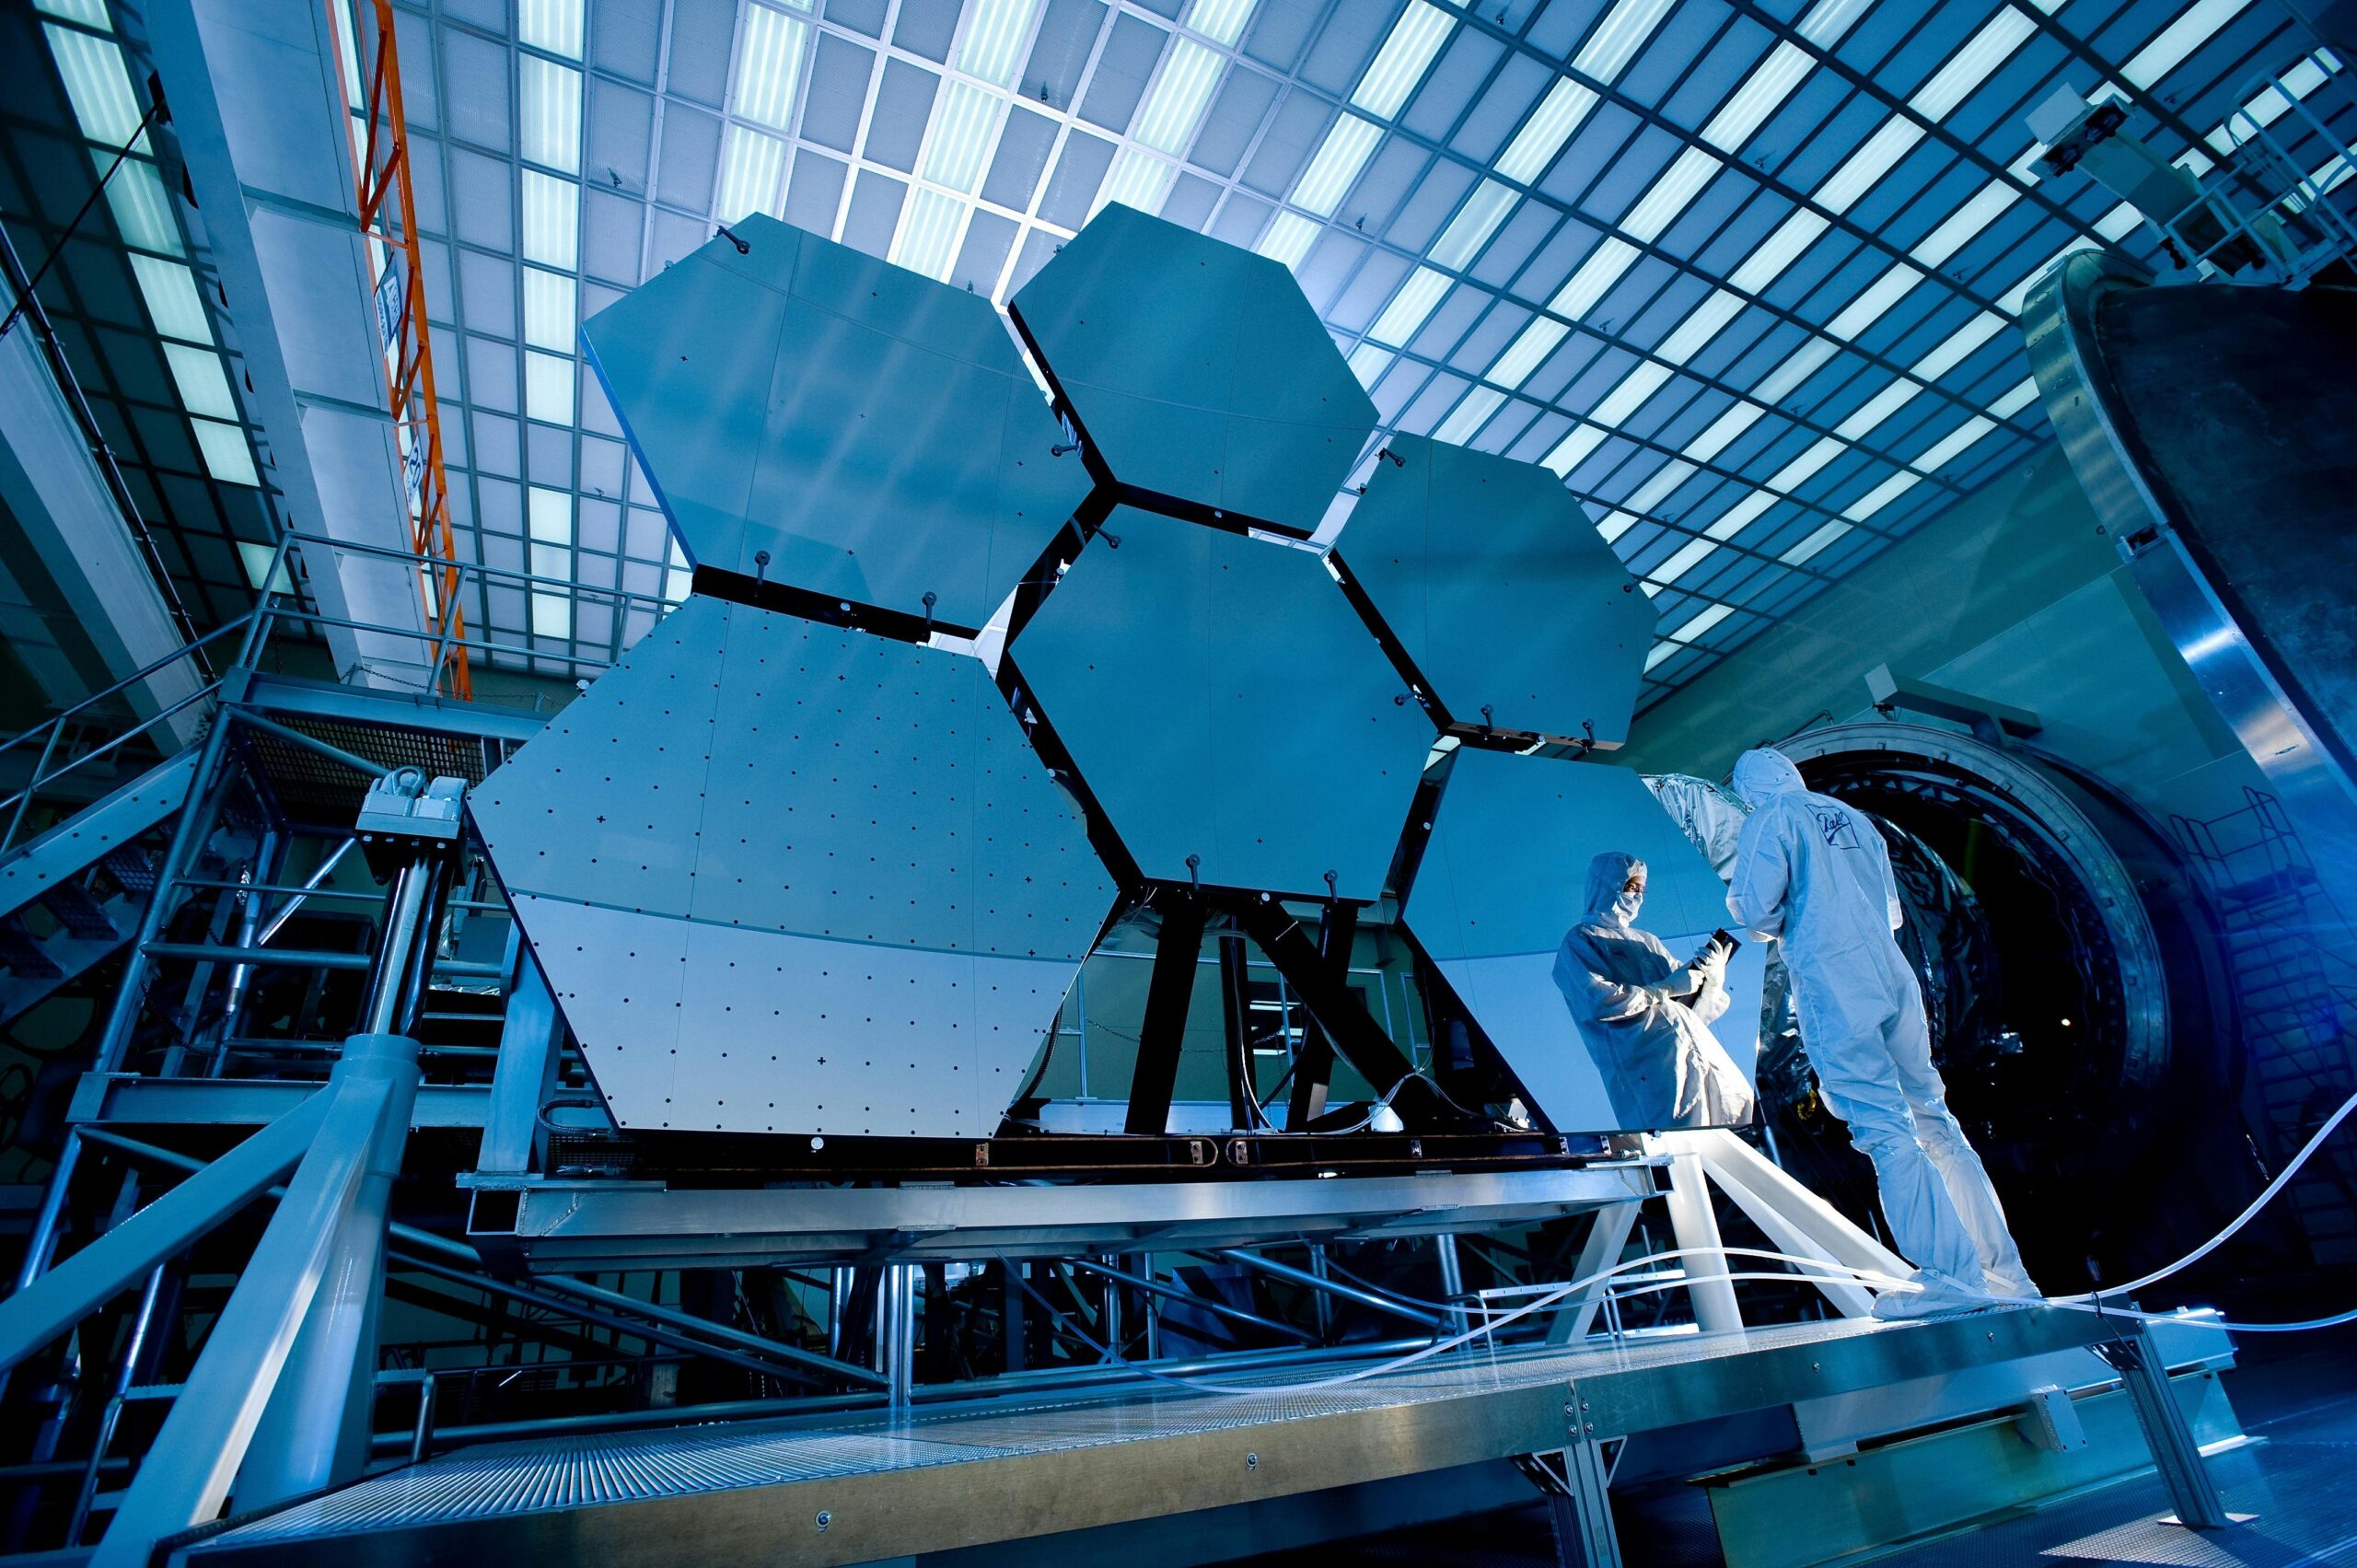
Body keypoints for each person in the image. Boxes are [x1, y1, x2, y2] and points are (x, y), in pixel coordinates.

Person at [1725, 747, 2038, 1316]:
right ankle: (2007, 1279)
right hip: (1893, 974)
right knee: (1937, 1124)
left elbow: (1751, 912)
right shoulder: (1854, 819)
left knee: (1883, 1129)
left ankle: (1950, 1279)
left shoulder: (1771, 819)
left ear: (1751, 789)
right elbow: (1892, 913)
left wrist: (1777, 924)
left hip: (1834, 977)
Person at [1555, 852, 1755, 1131]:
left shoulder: (1647, 941)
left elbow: (1690, 1007)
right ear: (1606, 884)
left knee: (1736, 1110)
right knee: (1681, 1139)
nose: (1636, 896)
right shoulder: (1580, 940)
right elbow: (1599, 1001)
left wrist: (1711, 977)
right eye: (1630, 887)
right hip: (1650, 1067)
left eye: (1641, 890)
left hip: (1692, 1046)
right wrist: (1666, 987)